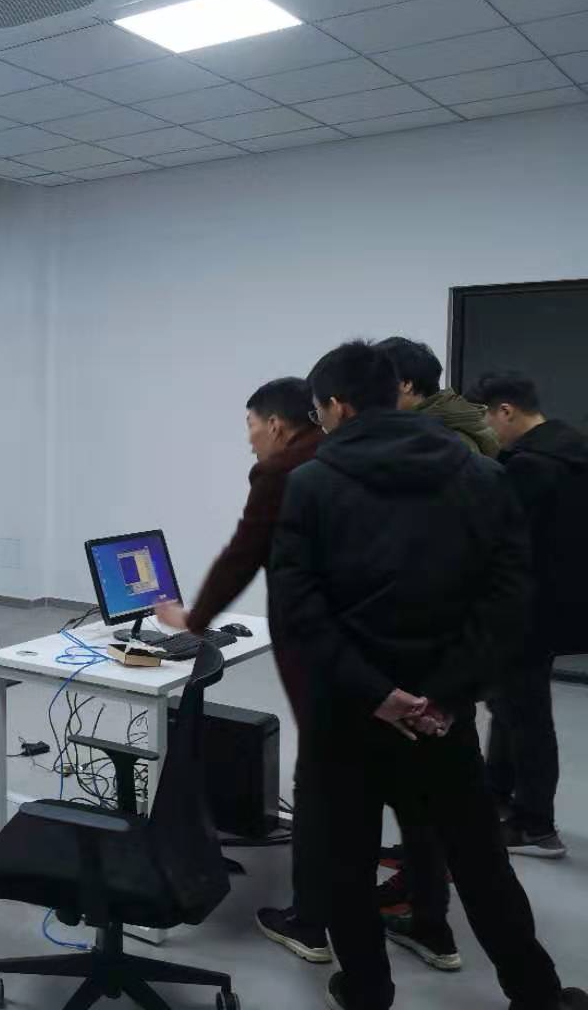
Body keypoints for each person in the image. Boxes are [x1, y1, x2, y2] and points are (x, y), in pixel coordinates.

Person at [270, 341, 584, 1010]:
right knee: (480, 861)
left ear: (337, 407)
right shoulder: (483, 474)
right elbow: (509, 599)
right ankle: (536, 993)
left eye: (318, 412)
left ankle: (366, 990)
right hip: (443, 717)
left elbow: (299, 611)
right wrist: (445, 693)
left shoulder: (311, 484)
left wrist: (377, 694)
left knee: (346, 862)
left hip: (345, 715)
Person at [154, 378, 329, 963]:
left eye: (251, 427)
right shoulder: (352, 458)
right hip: (394, 657)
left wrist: (193, 619)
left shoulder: (283, 473)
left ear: (276, 425)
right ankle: (428, 921)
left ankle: (312, 921)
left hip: (323, 652)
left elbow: (242, 555)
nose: (249, 439)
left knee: (323, 785)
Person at [370, 335, 497, 956]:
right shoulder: (466, 436)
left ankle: (425, 916)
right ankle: (428, 895)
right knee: (436, 793)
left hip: (422, 654)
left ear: (404, 387)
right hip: (454, 651)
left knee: (421, 789)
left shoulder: (433, 449)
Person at [468, 371, 588, 859]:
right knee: (510, 705)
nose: (487, 432)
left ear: (506, 411)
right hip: (560, 605)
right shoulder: (574, 451)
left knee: (526, 714)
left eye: (486, 420)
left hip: (524, 609)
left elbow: (501, 545)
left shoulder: (530, 467)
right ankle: (497, 795)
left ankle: (536, 825)